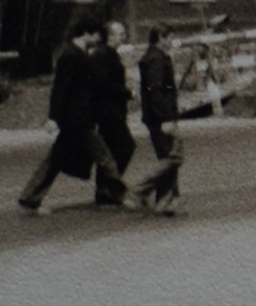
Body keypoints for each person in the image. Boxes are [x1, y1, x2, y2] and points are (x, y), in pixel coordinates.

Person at [17, 21, 133, 213]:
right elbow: (60, 89)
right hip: (77, 120)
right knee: (106, 159)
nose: (99, 39)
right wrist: (53, 117)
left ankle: (29, 198)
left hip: (77, 119)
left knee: (54, 161)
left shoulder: (79, 55)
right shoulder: (70, 56)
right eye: (96, 35)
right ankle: (120, 195)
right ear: (86, 33)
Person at [133, 28, 184, 215]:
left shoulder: (153, 57)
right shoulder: (156, 60)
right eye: (171, 37)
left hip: (157, 115)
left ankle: (166, 202)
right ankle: (140, 189)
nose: (172, 41)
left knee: (168, 157)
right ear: (161, 38)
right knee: (174, 157)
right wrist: (166, 118)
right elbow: (155, 90)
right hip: (161, 117)